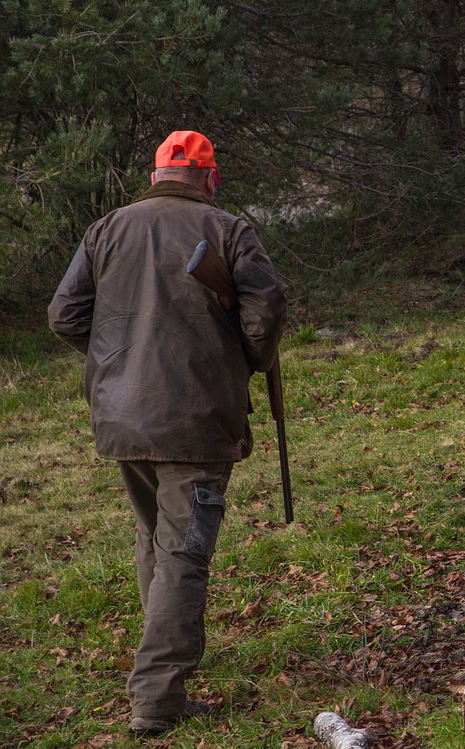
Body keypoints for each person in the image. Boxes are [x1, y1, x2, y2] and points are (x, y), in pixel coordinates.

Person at [48, 130, 287, 736]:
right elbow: (267, 310)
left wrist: (115, 361)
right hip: (196, 420)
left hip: (122, 416)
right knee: (184, 554)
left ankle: (162, 678)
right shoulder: (231, 230)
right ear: (211, 178)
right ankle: (156, 700)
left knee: (155, 536)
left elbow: (64, 315)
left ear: (158, 176)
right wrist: (247, 360)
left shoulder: (106, 228)